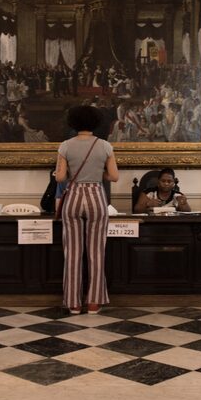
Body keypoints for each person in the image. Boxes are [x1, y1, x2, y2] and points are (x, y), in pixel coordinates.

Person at [55, 105, 119, 315]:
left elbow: (60, 178)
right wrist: (98, 173)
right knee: (96, 252)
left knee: (72, 253)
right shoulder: (105, 146)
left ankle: (73, 302)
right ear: (95, 122)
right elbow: (114, 176)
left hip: (73, 197)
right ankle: (94, 301)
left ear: (72, 122)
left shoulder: (65, 146)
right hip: (96, 197)